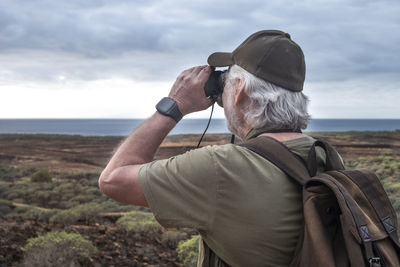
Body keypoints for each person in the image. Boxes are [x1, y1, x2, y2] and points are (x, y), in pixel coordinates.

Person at [99, 30, 324, 267]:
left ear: (238, 91)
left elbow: (113, 180)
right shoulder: (324, 155)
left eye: (225, 82)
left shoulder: (222, 168)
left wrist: (176, 104)